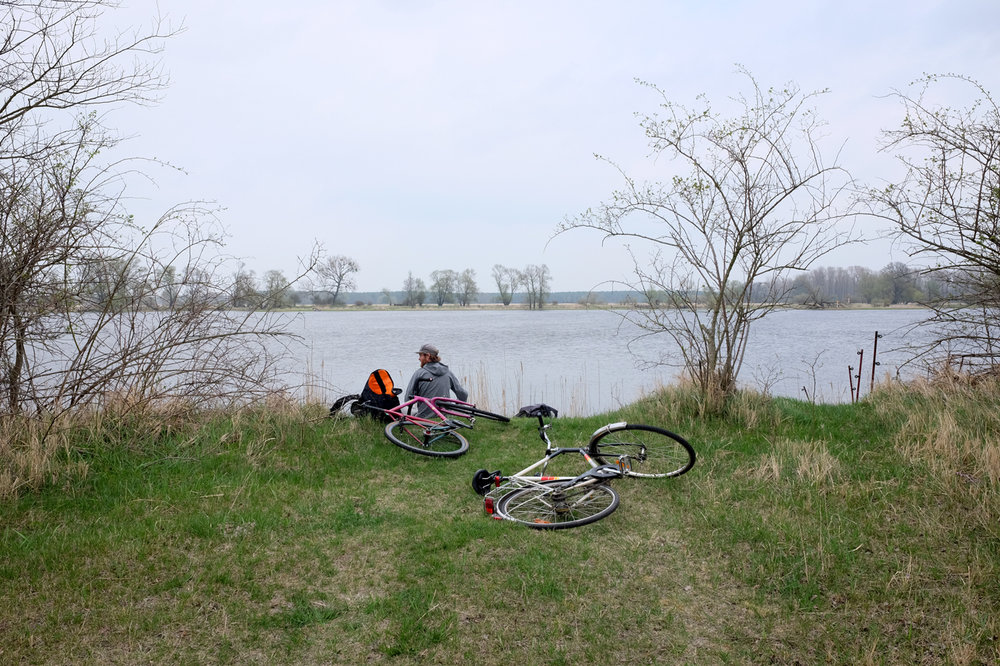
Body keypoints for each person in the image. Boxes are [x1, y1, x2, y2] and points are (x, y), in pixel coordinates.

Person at [404, 343, 468, 418]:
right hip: (444, 415)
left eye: (420, 355)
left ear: (427, 356)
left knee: (402, 409)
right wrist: (456, 408)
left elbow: (407, 399)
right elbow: (463, 394)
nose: (419, 359)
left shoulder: (419, 373)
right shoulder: (448, 372)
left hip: (424, 417)